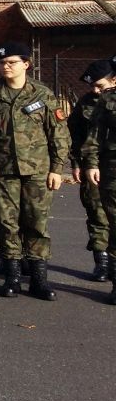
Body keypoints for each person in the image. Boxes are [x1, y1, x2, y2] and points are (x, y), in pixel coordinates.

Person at [0, 41, 69, 300]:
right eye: (2, 63)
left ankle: (38, 279)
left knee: (37, 223)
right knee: (7, 223)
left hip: (37, 170)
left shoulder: (42, 94)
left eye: (12, 62)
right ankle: (12, 275)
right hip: (2, 171)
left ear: (26, 64)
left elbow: (58, 133)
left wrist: (57, 168)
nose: (6, 67)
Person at [71, 59, 113, 281]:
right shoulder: (86, 103)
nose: (95, 90)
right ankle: (102, 262)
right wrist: (77, 164)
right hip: (93, 167)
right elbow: (76, 135)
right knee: (97, 214)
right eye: (92, 86)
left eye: (100, 85)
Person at [80, 58, 116, 303]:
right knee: (110, 221)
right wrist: (89, 163)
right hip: (111, 169)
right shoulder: (107, 100)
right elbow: (93, 135)